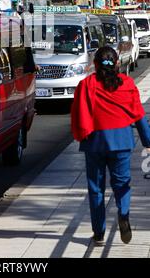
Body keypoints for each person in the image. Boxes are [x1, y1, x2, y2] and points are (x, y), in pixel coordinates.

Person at [71, 46, 150, 245]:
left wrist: (80, 134)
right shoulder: (127, 83)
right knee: (122, 184)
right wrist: (148, 141)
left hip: (95, 143)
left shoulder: (86, 84)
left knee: (96, 188)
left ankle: (99, 233)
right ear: (116, 63)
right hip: (121, 142)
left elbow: (78, 113)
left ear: (95, 65)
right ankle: (123, 214)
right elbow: (139, 116)